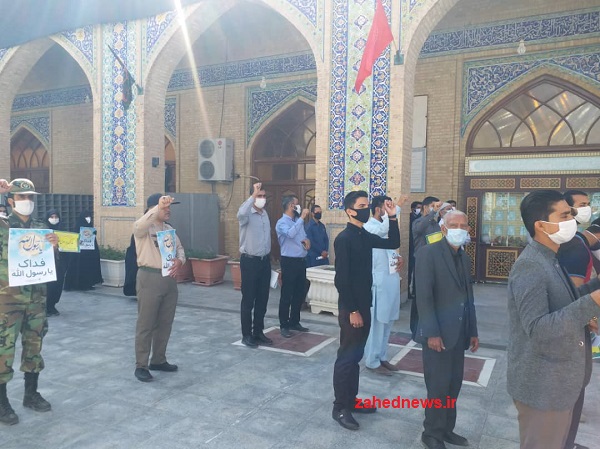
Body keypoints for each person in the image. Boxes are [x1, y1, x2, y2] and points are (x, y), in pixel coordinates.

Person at [507, 190, 600, 449]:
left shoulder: (551, 258)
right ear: (541, 225)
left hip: (560, 384)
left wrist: (593, 288)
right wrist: (593, 302)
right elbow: (538, 329)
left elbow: (565, 301)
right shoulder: (531, 265)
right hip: (543, 388)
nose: (572, 220)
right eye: (565, 215)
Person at [331, 191, 400, 431]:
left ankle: (351, 399)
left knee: (355, 356)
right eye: (361, 205)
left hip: (364, 305)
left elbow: (392, 243)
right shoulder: (344, 239)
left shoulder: (364, 235)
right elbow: (342, 279)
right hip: (352, 309)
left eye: (367, 205)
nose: (365, 208)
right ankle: (340, 407)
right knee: (346, 358)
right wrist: (352, 311)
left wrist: (393, 217)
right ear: (350, 211)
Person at [415, 210, 478, 449]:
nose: (459, 229)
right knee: (438, 386)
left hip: (458, 333)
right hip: (438, 334)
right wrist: (431, 332)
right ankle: (431, 433)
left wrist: (473, 330)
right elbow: (424, 297)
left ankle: (446, 429)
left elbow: (468, 297)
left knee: (453, 385)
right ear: (443, 228)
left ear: (469, 230)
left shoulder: (464, 257)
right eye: (454, 225)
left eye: (463, 225)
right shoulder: (428, 253)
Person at [0, 178, 58, 425]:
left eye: (30, 197)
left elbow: (49, 261)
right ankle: (2, 402)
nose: (27, 201)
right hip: (8, 301)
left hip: (36, 299)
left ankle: (31, 394)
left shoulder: (40, 226)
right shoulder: (3, 226)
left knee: (34, 345)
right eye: (22, 197)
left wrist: (54, 247)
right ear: (10, 201)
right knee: (4, 349)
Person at [133, 193, 185, 382]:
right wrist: (156, 209)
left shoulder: (169, 229)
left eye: (169, 207)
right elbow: (138, 226)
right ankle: (141, 365)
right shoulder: (144, 228)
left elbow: (180, 249)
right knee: (146, 324)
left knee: (165, 323)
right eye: (165, 207)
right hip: (149, 278)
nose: (168, 210)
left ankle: (158, 359)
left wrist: (180, 261)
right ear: (153, 208)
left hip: (169, 279)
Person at [556, 190, 594, 449]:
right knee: (570, 389)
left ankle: (566, 441)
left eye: (588, 204)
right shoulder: (572, 245)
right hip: (572, 327)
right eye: (581, 205)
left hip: (577, 323)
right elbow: (573, 292)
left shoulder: (578, 239)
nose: (587, 209)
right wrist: (590, 313)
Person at [363, 195, 403, 376]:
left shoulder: (385, 228)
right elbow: (383, 230)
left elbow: (389, 248)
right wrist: (395, 210)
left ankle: (382, 356)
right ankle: (372, 361)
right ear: (379, 209)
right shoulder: (369, 227)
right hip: (377, 284)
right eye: (387, 207)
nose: (390, 210)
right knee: (377, 324)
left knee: (388, 322)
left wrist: (398, 258)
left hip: (391, 282)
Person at [237, 182, 272, 348]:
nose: (262, 199)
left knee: (262, 299)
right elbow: (240, 213)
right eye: (259, 196)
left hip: (264, 261)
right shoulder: (247, 214)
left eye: (264, 196)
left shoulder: (264, 214)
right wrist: (252, 196)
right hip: (250, 261)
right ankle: (246, 334)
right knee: (248, 299)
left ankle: (258, 331)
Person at [276, 195, 311, 338]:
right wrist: (302, 217)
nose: (299, 207)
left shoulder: (297, 221)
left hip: (301, 260)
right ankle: (284, 325)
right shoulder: (281, 222)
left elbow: (302, 236)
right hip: (289, 261)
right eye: (297, 204)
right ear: (291, 206)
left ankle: (294, 321)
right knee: (287, 294)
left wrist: (307, 241)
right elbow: (290, 234)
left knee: (299, 292)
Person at [411, 196, 442, 340]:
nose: (435, 209)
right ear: (425, 207)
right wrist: (432, 213)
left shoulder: (435, 224)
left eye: (437, 206)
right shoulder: (418, 222)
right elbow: (419, 229)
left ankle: (427, 328)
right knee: (420, 297)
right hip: (421, 263)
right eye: (433, 206)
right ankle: (415, 329)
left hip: (435, 263)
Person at [64, 210, 103, 291]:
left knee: (88, 267)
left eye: (89, 216)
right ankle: (78, 284)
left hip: (89, 253)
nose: (88, 218)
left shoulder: (90, 228)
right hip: (80, 254)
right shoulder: (77, 228)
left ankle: (88, 284)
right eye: (86, 217)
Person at [44, 209, 67, 316]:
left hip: (59, 265)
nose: (54, 219)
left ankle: (52, 305)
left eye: (56, 217)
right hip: (47, 264)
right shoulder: (43, 231)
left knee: (58, 285)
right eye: (51, 217)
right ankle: (45, 307)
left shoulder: (62, 231)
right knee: (48, 286)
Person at [408, 200, 422, 300]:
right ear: (413, 209)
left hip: (418, 247)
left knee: (417, 271)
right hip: (410, 247)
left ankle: (414, 291)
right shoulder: (410, 217)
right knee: (409, 270)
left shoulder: (421, 218)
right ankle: (408, 290)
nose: (419, 210)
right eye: (418, 208)